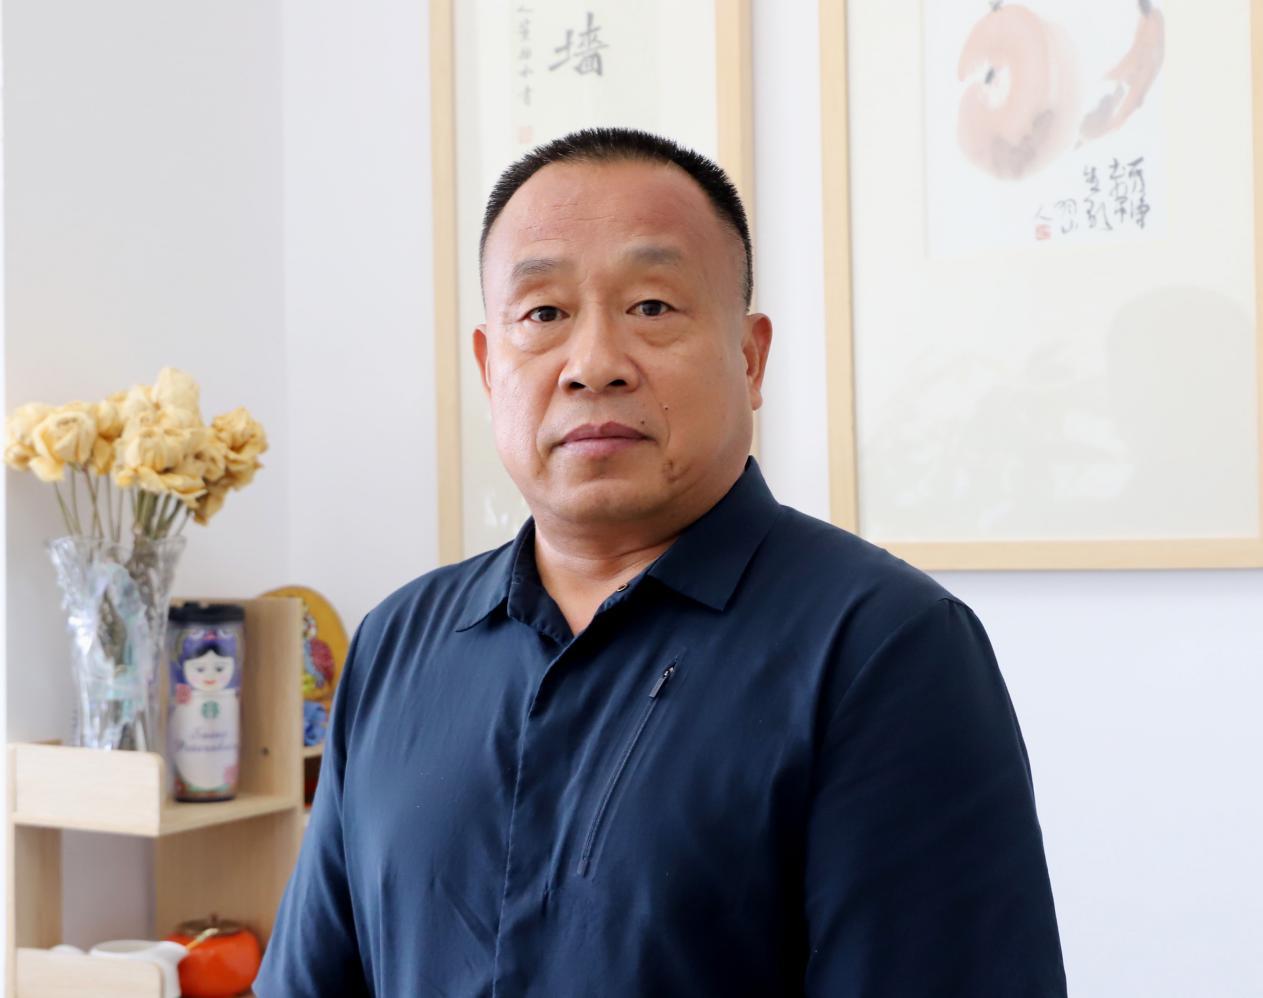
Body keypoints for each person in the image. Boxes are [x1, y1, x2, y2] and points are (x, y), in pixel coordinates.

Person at [255, 127, 1067, 997]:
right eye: (543, 314)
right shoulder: (397, 643)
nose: (593, 365)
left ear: (749, 358)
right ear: (490, 368)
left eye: (650, 306)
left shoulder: (883, 647)